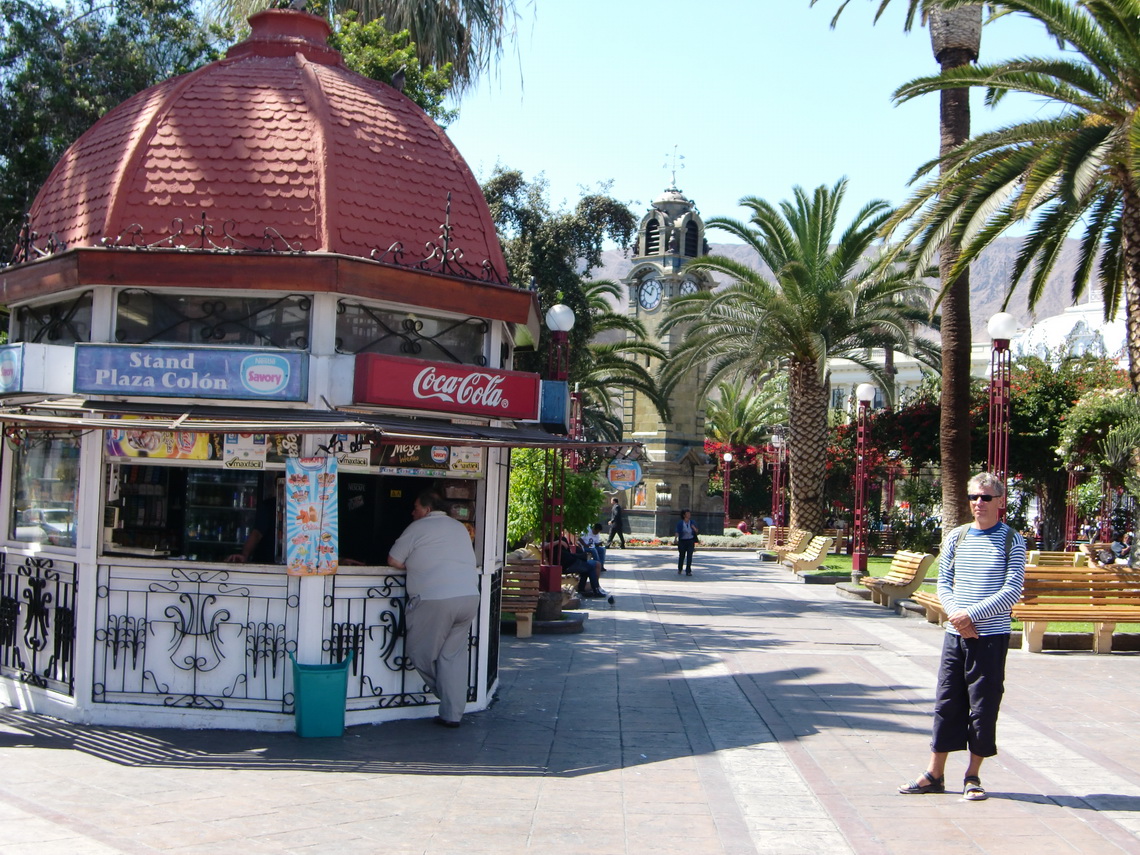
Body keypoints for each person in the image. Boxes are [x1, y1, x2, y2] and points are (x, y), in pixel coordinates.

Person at [898, 472, 1025, 802]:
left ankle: (973, 775)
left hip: (990, 637)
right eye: (973, 497)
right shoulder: (957, 537)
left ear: (1000, 501)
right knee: (947, 704)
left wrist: (973, 616)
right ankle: (934, 773)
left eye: (985, 497)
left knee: (983, 706)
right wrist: (957, 616)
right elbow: (944, 582)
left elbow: (1012, 589)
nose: (978, 503)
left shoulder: (1012, 540)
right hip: (956, 635)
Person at [387, 490, 479, 729]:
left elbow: (394, 561)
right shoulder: (459, 527)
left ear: (427, 509)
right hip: (469, 597)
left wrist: (414, 565)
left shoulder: (417, 527)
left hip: (436, 598)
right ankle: (452, 711)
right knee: (452, 657)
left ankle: (449, 697)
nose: (412, 511)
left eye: (415, 506)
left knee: (419, 653)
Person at [555, 530, 607, 599]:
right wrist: (580, 556)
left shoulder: (562, 540)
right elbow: (567, 555)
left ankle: (583, 590)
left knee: (587, 567)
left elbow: (568, 554)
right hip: (566, 565)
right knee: (590, 567)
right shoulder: (558, 541)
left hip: (569, 562)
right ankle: (595, 590)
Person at [675, 509, 699, 576]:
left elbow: (697, 531)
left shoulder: (692, 522)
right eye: (687, 514)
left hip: (690, 541)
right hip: (682, 541)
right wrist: (675, 538)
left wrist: (694, 528)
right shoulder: (680, 523)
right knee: (682, 556)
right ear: (684, 515)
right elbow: (677, 531)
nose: (689, 515)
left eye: (689, 514)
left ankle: (688, 571)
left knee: (689, 556)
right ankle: (680, 569)